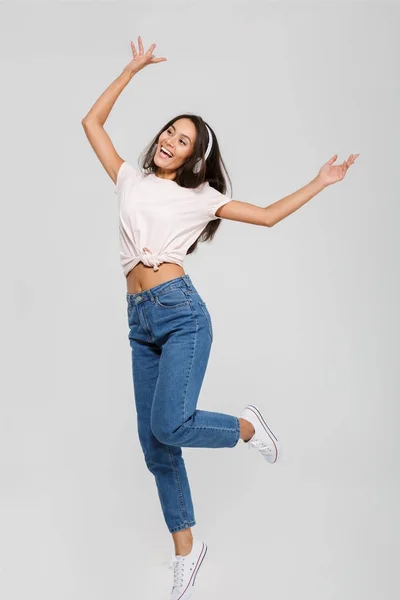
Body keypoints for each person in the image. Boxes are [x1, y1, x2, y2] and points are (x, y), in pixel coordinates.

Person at [81, 36, 359, 600]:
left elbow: (268, 217)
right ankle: (188, 554)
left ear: (193, 157)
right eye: (168, 131)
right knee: (155, 445)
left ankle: (247, 427)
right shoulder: (129, 179)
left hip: (182, 316)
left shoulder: (201, 196)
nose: (168, 141)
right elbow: (91, 122)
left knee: (171, 425)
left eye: (182, 140)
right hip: (139, 321)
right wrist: (132, 68)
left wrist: (320, 181)